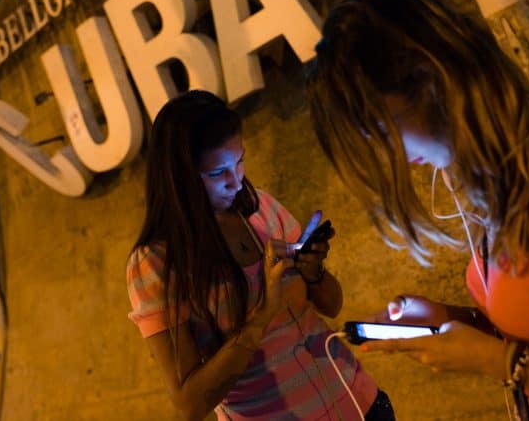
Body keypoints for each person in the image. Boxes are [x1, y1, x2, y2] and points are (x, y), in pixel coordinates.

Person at [305, 0, 529, 420]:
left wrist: (498, 363)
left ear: (430, 79)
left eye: (382, 129)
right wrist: (452, 318)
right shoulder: (501, 180)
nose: (387, 155)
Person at [126, 90, 395, 420]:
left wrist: (314, 272)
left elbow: (331, 305)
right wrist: (262, 312)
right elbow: (190, 403)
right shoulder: (156, 263)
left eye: (239, 162)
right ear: (178, 178)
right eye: (216, 173)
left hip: (360, 402)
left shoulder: (260, 208)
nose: (235, 181)